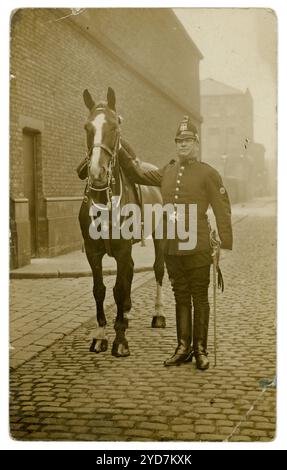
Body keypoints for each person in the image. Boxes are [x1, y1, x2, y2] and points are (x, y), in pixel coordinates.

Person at [118, 116, 233, 369]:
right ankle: (183, 347)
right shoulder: (166, 171)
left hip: (198, 245)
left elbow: (222, 207)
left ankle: (200, 349)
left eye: (188, 140)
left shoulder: (208, 173)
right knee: (181, 296)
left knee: (199, 297)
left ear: (196, 143)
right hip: (171, 246)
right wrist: (117, 145)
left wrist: (223, 240)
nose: (183, 144)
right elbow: (136, 173)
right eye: (179, 141)